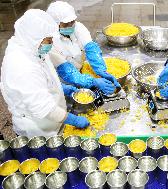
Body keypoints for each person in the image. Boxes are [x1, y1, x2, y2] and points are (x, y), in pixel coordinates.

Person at [0, 9, 90, 137]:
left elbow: (43, 78)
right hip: (38, 128)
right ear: (35, 39)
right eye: (49, 40)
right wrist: (73, 120)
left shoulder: (32, 47)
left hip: (51, 119)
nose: (51, 43)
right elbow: (43, 108)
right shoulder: (22, 66)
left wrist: (61, 88)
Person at [46, 1, 119, 95]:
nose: (70, 25)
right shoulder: (50, 41)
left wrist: (101, 70)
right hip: (63, 81)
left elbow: (91, 49)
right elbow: (67, 71)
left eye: (72, 22)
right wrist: (93, 82)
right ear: (55, 24)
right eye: (65, 24)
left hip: (81, 73)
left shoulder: (78, 27)